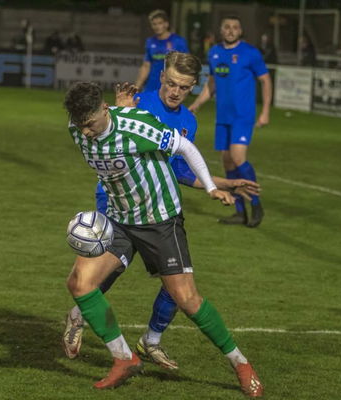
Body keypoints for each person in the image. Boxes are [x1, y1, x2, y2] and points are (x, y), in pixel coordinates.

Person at [63, 81, 264, 396]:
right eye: (80, 125)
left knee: (186, 300)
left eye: (90, 125)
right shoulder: (77, 127)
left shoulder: (136, 127)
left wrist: (211, 185)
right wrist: (105, 116)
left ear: (103, 109)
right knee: (80, 283)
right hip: (119, 218)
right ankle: (123, 358)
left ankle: (240, 363)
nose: (85, 132)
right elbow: (100, 134)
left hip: (160, 220)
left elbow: (184, 147)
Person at [189, 16, 272, 228]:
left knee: (237, 157)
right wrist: (197, 104)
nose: (231, 30)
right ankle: (239, 211)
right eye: (227, 26)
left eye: (235, 27)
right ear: (221, 30)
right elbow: (212, 83)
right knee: (227, 162)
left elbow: (265, 80)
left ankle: (256, 204)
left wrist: (265, 112)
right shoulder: (215, 52)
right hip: (223, 117)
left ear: (241, 30)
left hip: (243, 115)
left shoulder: (251, 52)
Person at [135, 9, 189, 92]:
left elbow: (186, 65)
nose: (157, 26)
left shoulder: (178, 41)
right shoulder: (150, 42)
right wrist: (137, 86)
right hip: (151, 87)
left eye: (160, 23)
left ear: (166, 24)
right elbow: (146, 66)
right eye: (154, 24)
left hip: (170, 87)